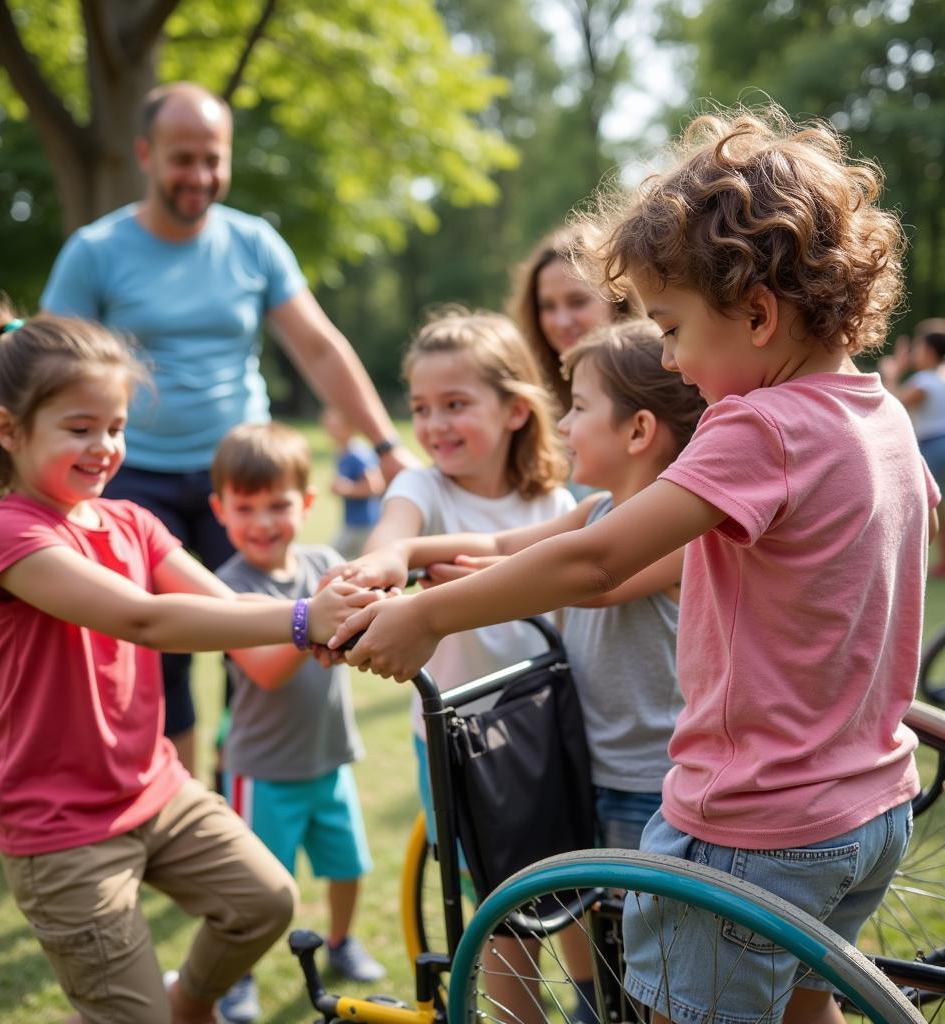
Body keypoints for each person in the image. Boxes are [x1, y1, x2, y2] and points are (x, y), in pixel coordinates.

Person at [331, 106, 935, 1024]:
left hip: (752, 826)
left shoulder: (760, 426)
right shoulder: (881, 416)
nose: (669, 357)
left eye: (674, 327)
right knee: (809, 1010)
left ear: (759, 314)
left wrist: (428, 616)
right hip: (868, 810)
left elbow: (598, 558)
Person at [0, 303, 381, 1024]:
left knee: (263, 901)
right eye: (79, 428)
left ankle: (190, 1002)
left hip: (154, 791)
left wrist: (345, 612)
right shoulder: (7, 532)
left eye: (114, 427)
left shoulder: (134, 521)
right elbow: (145, 618)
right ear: (9, 430)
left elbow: (228, 606)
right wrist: (301, 619)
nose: (105, 446)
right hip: (62, 827)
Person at [333, 319, 705, 1021]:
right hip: (591, 766)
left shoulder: (676, 526)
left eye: (582, 407)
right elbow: (502, 542)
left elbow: (588, 579)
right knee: (603, 936)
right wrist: (399, 557)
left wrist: (448, 597)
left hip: (651, 781)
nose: (566, 422)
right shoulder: (597, 508)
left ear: (638, 431)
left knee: (645, 958)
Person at [40, 81, 414, 776]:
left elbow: (320, 347)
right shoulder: (95, 252)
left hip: (241, 479)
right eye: (184, 159)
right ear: (146, 155)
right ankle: (177, 800)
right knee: (163, 657)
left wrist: (387, 448)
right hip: (133, 479)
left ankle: (240, 793)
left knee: (263, 642)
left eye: (214, 159)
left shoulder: (254, 244)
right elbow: (44, 371)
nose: (201, 176)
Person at [329, 307, 574, 833]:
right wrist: (376, 569)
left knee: (551, 870)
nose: (434, 426)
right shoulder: (421, 488)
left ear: (515, 410)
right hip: (452, 732)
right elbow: (392, 538)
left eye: (455, 404)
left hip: (539, 721)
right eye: (421, 408)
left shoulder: (552, 505)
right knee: (478, 874)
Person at [207, 422, 385, 1023]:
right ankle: (237, 976)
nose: (263, 521)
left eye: (278, 504)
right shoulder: (227, 588)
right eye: (245, 506)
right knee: (255, 889)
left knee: (348, 866)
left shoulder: (324, 564)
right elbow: (267, 671)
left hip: (329, 757)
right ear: (220, 510)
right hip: (262, 772)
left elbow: (360, 623)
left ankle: (339, 942)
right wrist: (313, 619)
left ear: (306, 504)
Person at [507, 224, 644, 409]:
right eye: (548, 306)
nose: (562, 321)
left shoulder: (661, 381)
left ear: (617, 299)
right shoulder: (527, 399)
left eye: (578, 302)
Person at [879, 318, 945, 574]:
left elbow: (892, 404)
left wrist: (892, 374)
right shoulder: (940, 378)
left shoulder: (925, 381)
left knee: (916, 504)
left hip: (931, 446)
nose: (914, 352)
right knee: (939, 506)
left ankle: (903, 559)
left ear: (929, 352)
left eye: (918, 347)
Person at [321, 406, 385, 560]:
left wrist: (348, 489)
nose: (330, 430)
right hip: (351, 521)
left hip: (363, 523)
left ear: (349, 427)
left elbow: (376, 485)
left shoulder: (358, 453)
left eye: (335, 426)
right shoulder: (342, 451)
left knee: (331, 559)